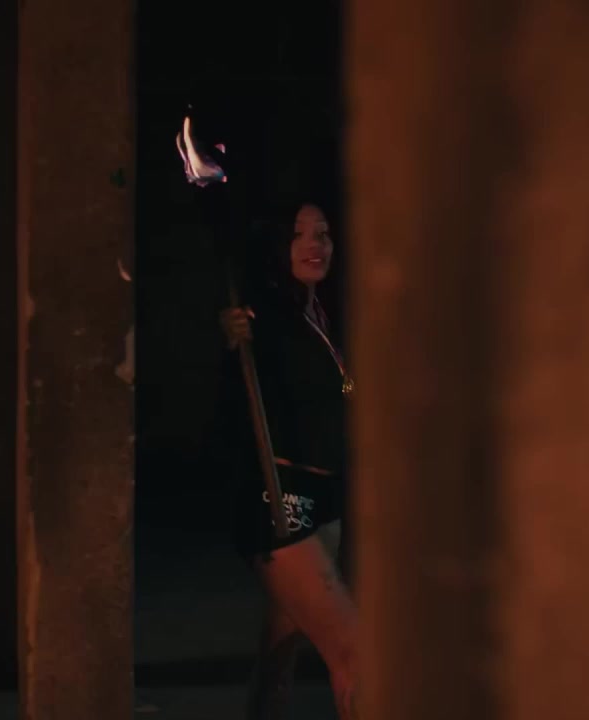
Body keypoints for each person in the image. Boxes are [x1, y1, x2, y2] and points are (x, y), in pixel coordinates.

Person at [219, 201, 357, 720]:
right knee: (356, 656)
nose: (315, 244)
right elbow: (232, 385)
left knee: (281, 654)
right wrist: (231, 336)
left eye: (323, 233)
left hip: (326, 498)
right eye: (299, 235)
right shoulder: (260, 315)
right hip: (280, 497)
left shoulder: (323, 314)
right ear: (278, 247)